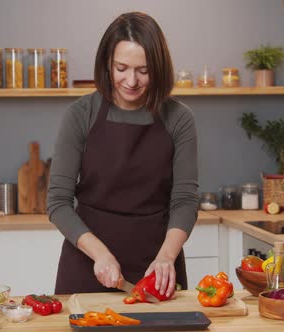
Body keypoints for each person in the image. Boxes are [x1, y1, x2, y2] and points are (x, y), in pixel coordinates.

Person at [47, 12, 199, 297]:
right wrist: (100, 254)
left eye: (144, 70)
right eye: (122, 68)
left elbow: (185, 200)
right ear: (107, 63)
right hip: (88, 263)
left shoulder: (179, 118)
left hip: (157, 267)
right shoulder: (81, 114)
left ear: (159, 67)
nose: (131, 80)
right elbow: (58, 202)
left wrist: (166, 257)